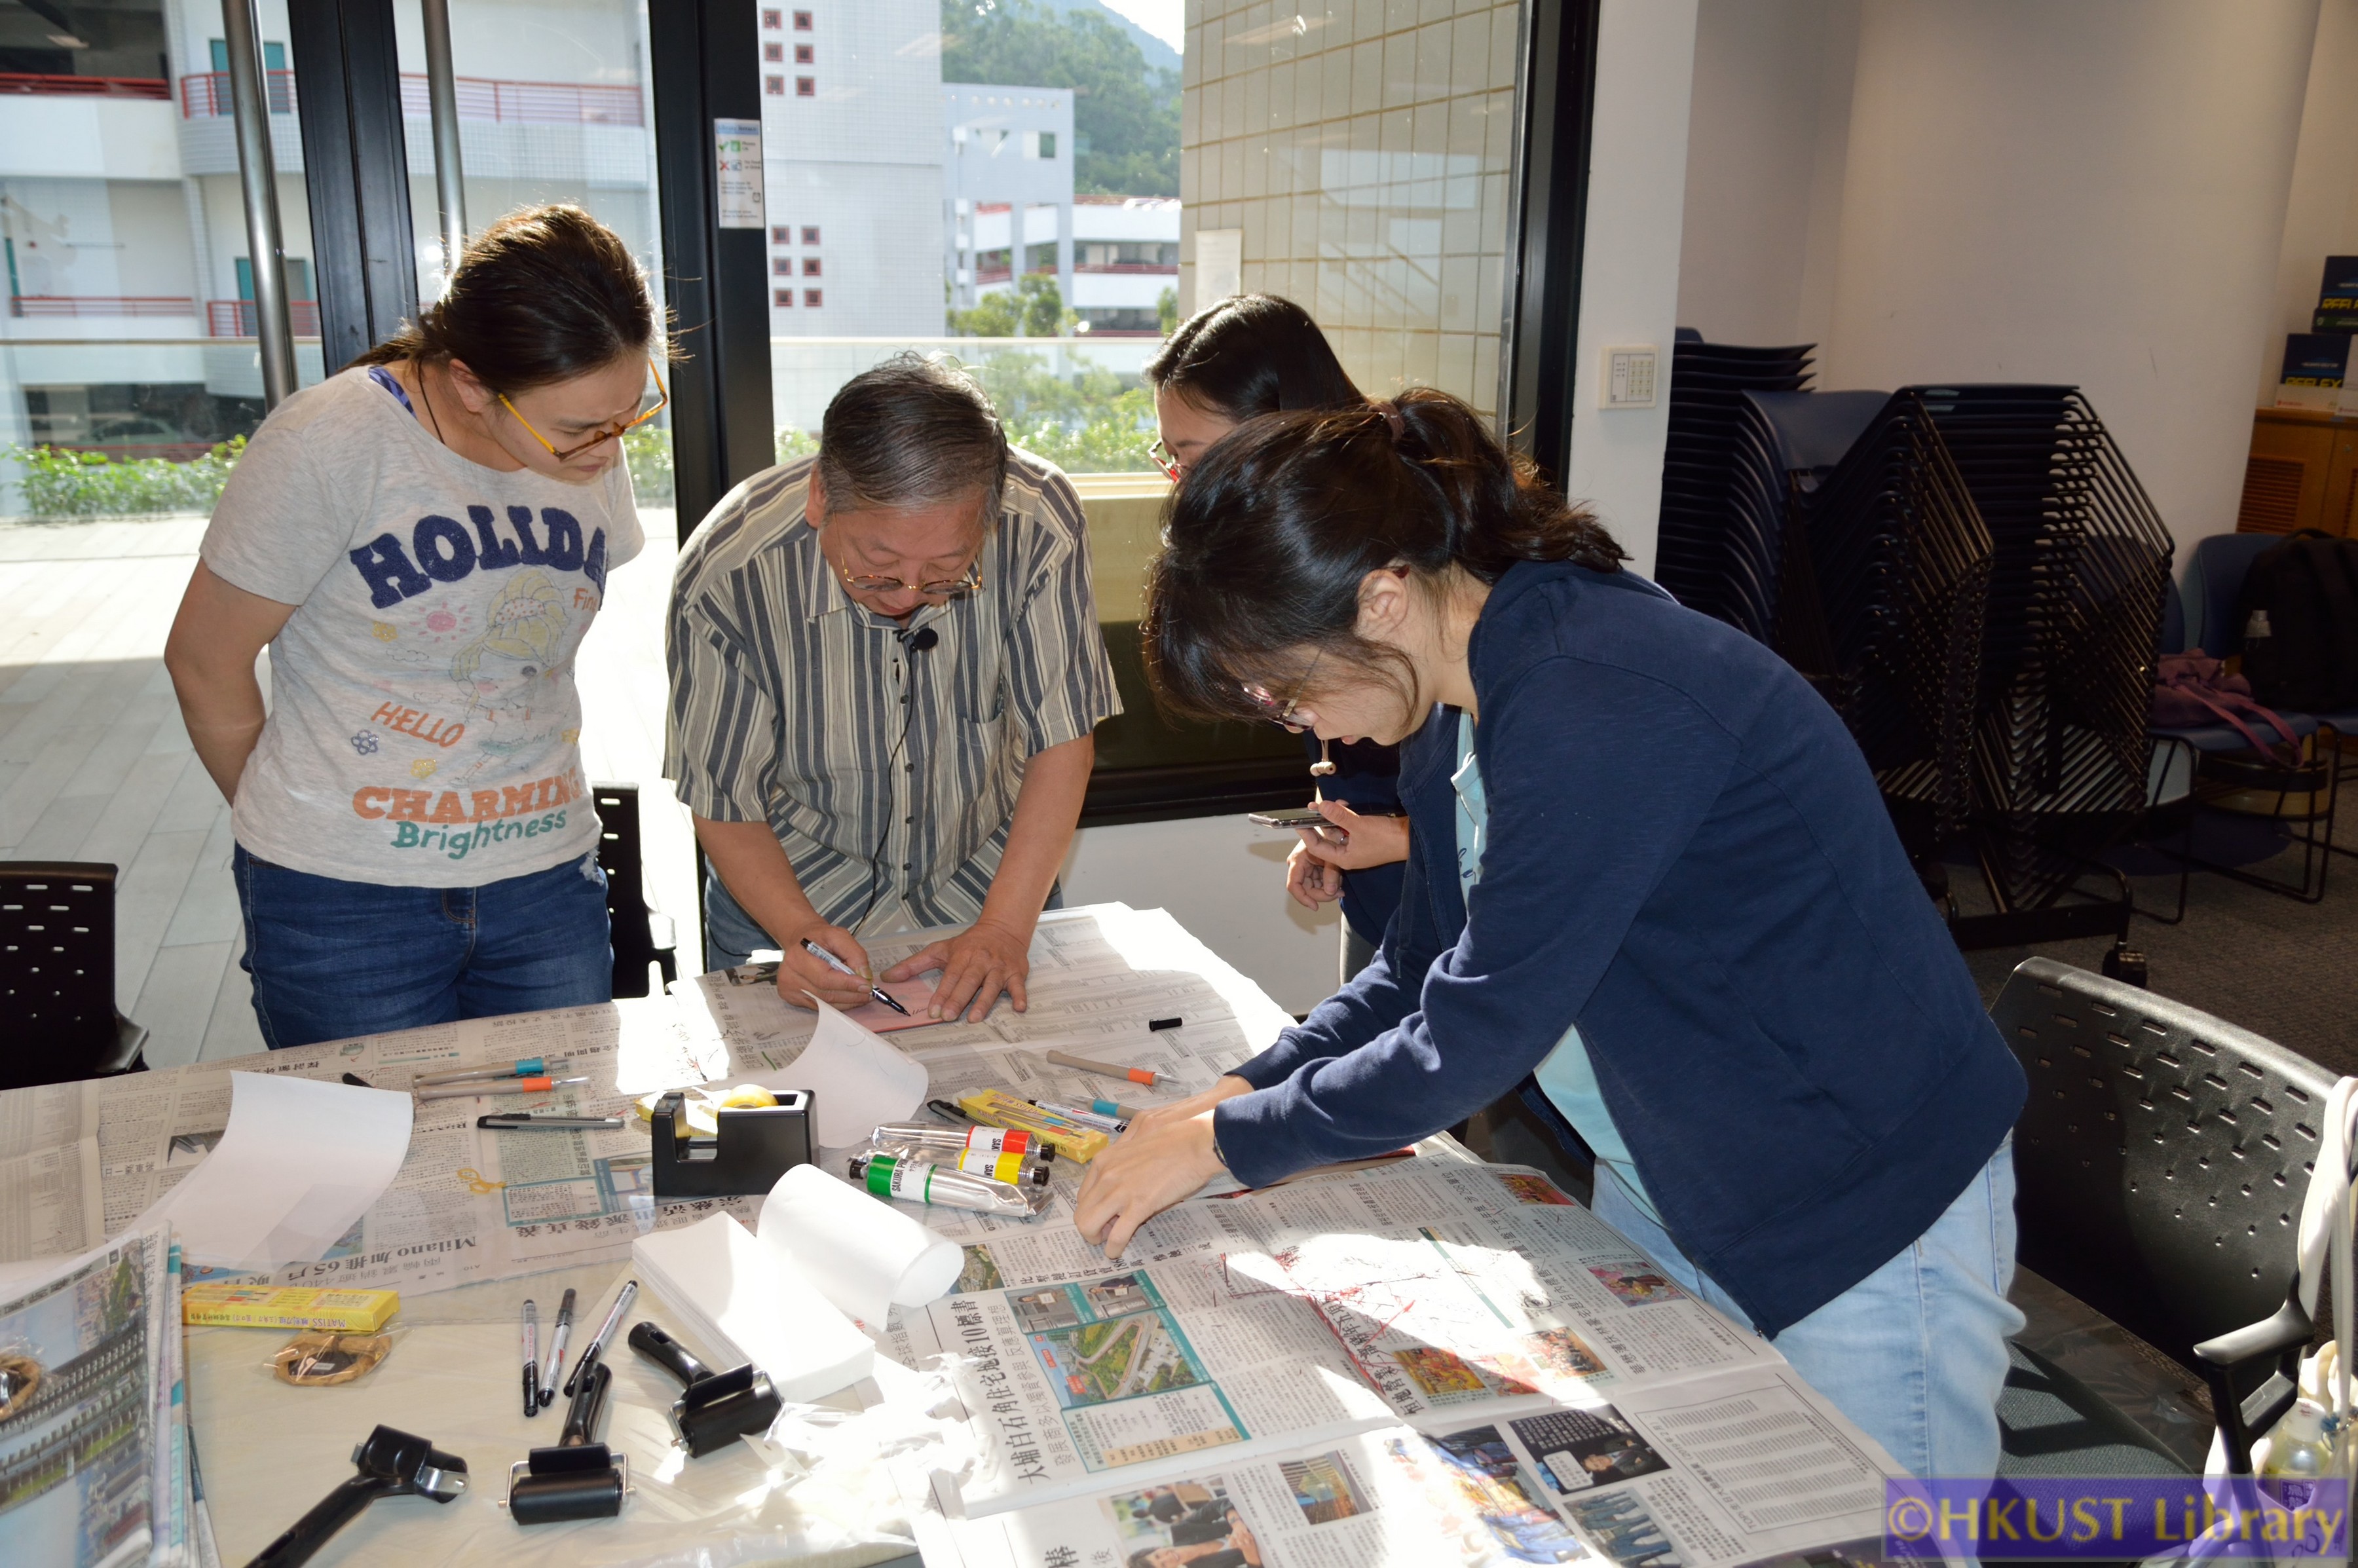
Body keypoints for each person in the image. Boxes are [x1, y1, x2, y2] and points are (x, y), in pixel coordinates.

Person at [1076, 391, 2029, 1482]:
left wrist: (1226, 1141)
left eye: (1286, 687)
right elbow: (1420, 970)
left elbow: (1480, 1027)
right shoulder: (1454, 704)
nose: (1303, 722)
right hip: (1679, 1158)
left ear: (1382, 597)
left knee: (1886, 1530)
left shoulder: (1593, 691)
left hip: (1856, 1185)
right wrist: (1234, 1092)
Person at [164, 203, 658, 1048]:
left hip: (543, 879)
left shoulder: (583, 450)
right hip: (343, 898)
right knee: (375, 1160)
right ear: (471, 383)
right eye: (581, 428)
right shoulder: (329, 443)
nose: (610, 452)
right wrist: (311, 823)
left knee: (554, 1149)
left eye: (632, 414)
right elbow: (204, 661)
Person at [667, 354, 1118, 1023]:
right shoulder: (729, 573)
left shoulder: (1040, 523)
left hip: (988, 888)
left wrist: (1002, 929)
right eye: (877, 566)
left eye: (945, 574)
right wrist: (799, 933)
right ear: (821, 494)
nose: (908, 597)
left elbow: (1062, 741)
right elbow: (723, 796)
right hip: (792, 895)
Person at [1144, 295, 1404, 981]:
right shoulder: (1308, 534)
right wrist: (1339, 836)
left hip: (1466, 911)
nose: (1186, 489)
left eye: (1197, 459)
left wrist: (1406, 839)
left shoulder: (1408, 566)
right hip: (1387, 896)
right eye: (1171, 460)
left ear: (1279, 429)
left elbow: (1520, 835)